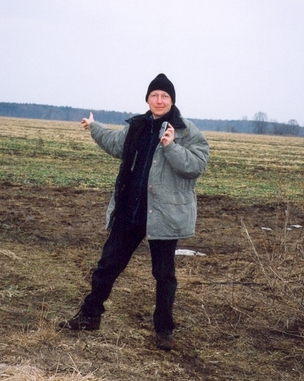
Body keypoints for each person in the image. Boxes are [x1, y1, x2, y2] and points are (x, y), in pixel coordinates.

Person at [59, 73, 209, 351]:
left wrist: (171, 146)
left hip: (165, 216)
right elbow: (114, 143)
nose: (159, 100)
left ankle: (164, 331)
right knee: (107, 266)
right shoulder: (137, 126)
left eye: (165, 96)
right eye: (155, 95)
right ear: (148, 99)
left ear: (172, 100)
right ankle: (90, 316)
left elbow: (196, 167)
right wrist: (94, 126)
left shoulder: (187, 131)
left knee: (164, 275)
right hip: (131, 211)